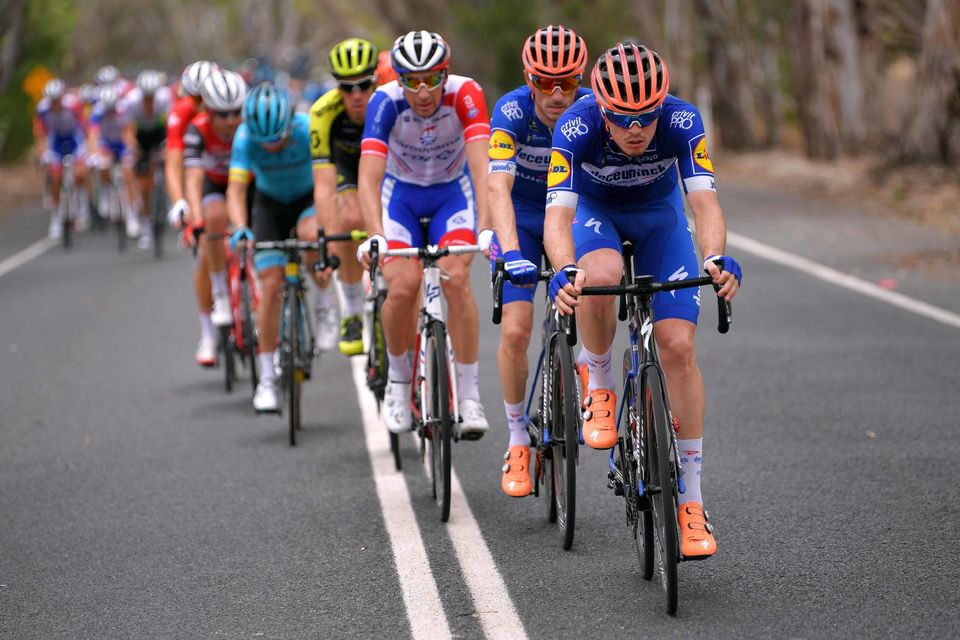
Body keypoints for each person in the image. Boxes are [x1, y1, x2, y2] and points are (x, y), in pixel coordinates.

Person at [544, 42, 742, 558]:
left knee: (677, 347)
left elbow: (704, 203)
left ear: (662, 107)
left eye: (646, 117)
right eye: (623, 118)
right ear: (602, 111)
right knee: (600, 274)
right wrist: (566, 269)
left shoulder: (682, 120)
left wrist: (716, 258)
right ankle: (603, 384)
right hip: (596, 216)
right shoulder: (575, 125)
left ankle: (692, 503)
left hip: (660, 220)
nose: (636, 128)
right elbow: (557, 219)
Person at [355, 30, 492, 438]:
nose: (423, 90)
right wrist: (374, 234)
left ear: (445, 74)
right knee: (402, 287)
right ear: (398, 79)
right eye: (411, 80)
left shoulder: (465, 93)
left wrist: (486, 227)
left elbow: (483, 167)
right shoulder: (384, 101)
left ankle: (468, 395)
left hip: (454, 195)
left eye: (431, 78)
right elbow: (368, 178)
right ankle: (398, 382)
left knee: (456, 278)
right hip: (400, 200)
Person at [487, 25, 591, 497]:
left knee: (597, 289)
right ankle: (516, 439)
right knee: (514, 329)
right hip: (526, 220)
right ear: (528, 79)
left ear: (581, 80)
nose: (555, 93)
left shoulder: (593, 109)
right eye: (544, 82)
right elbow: (497, 188)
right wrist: (510, 252)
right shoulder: (510, 110)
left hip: (575, 215)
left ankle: (593, 362)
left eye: (566, 83)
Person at [228, 82, 327, 413]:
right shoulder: (244, 137)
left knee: (310, 234)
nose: (270, 147)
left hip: (307, 200)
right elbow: (237, 190)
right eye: (263, 142)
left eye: (277, 139)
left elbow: (328, 178)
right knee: (270, 284)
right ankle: (267, 378)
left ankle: (325, 304)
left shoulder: (307, 129)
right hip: (269, 204)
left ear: (289, 125)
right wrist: (241, 228)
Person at [309, 37, 381, 356]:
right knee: (350, 217)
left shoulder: (388, 103)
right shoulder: (323, 113)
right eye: (346, 87)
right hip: (347, 166)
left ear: (375, 82)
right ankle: (352, 307)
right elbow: (324, 187)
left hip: (386, 165)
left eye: (363, 85)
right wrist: (327, 241)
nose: (356, 95)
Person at [183, 69, 247, 361]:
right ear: (208, 111)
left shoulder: (250, 125)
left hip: (245, 183)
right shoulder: (196, 129)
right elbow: (194, 178)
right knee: (215, 215)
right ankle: (220, 292)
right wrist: (195, 220)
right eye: (222, 115)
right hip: (214, 184)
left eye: (236, 112)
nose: (230, 121)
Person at [165, 59, 219, 366]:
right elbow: (175, 164)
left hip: (231, 175)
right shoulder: (181, 112)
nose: (199, 104)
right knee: (204, 250)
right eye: (194, 98)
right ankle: (208, 333)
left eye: (203, 98)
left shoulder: (229, 105)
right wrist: (179, 203)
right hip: (199, 179)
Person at [122, 70, 173, 250]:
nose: (149, 101)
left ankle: (170, 200)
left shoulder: (165, 97)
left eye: (152, 97)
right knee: (143, 185)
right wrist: (135, 150)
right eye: (146, 97)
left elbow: (170, 125)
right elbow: (128, 131)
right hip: (141, 136)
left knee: (170, 163)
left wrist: (169, 147)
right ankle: (146, 227)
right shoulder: (131, 101)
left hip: (159, 133)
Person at [33, 78, 90, 239]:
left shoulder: (73, 104)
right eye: (52, 101)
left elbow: (84, 127)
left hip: (74, 140)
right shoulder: (43, 108)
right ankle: (56, 218)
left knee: (79, 174)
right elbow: (40, 133)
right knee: (55, 176)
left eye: (57, 100)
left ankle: (82, 209)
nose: (55, 104)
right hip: (56, 141)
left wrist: (88, 150)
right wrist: (41, 153)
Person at [87, 83, 138, 237]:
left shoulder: (123, 109)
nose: (110, 111)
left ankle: (131, 215)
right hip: (105, 143)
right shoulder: (97, 111)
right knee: (103, 166)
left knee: (128, 174)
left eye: (112, 108)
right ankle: (105, 191)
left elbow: (129, 132)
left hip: (121, 142)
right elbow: (93, 136)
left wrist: (132, 150)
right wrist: (96, 153)